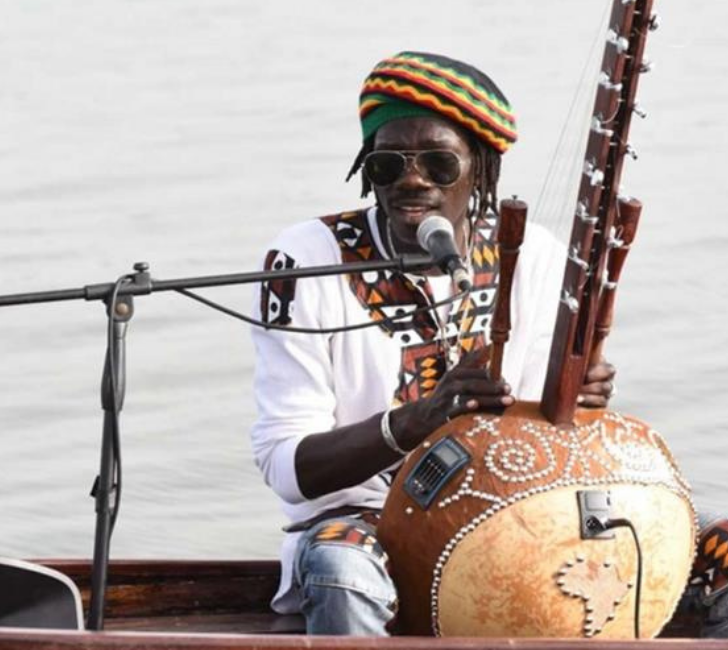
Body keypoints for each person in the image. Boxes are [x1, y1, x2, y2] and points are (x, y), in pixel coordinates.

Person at [249, 51, 727, 637]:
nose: (412, 180)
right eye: (387, 165)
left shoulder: (535, 255)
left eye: (438, 164)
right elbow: (287, 468)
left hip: (515, 508)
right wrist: (416, 420)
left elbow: (537, 435)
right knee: (342, 573)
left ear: (480, 168)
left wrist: (574, 401)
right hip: (362, 524)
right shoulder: (304, 261)